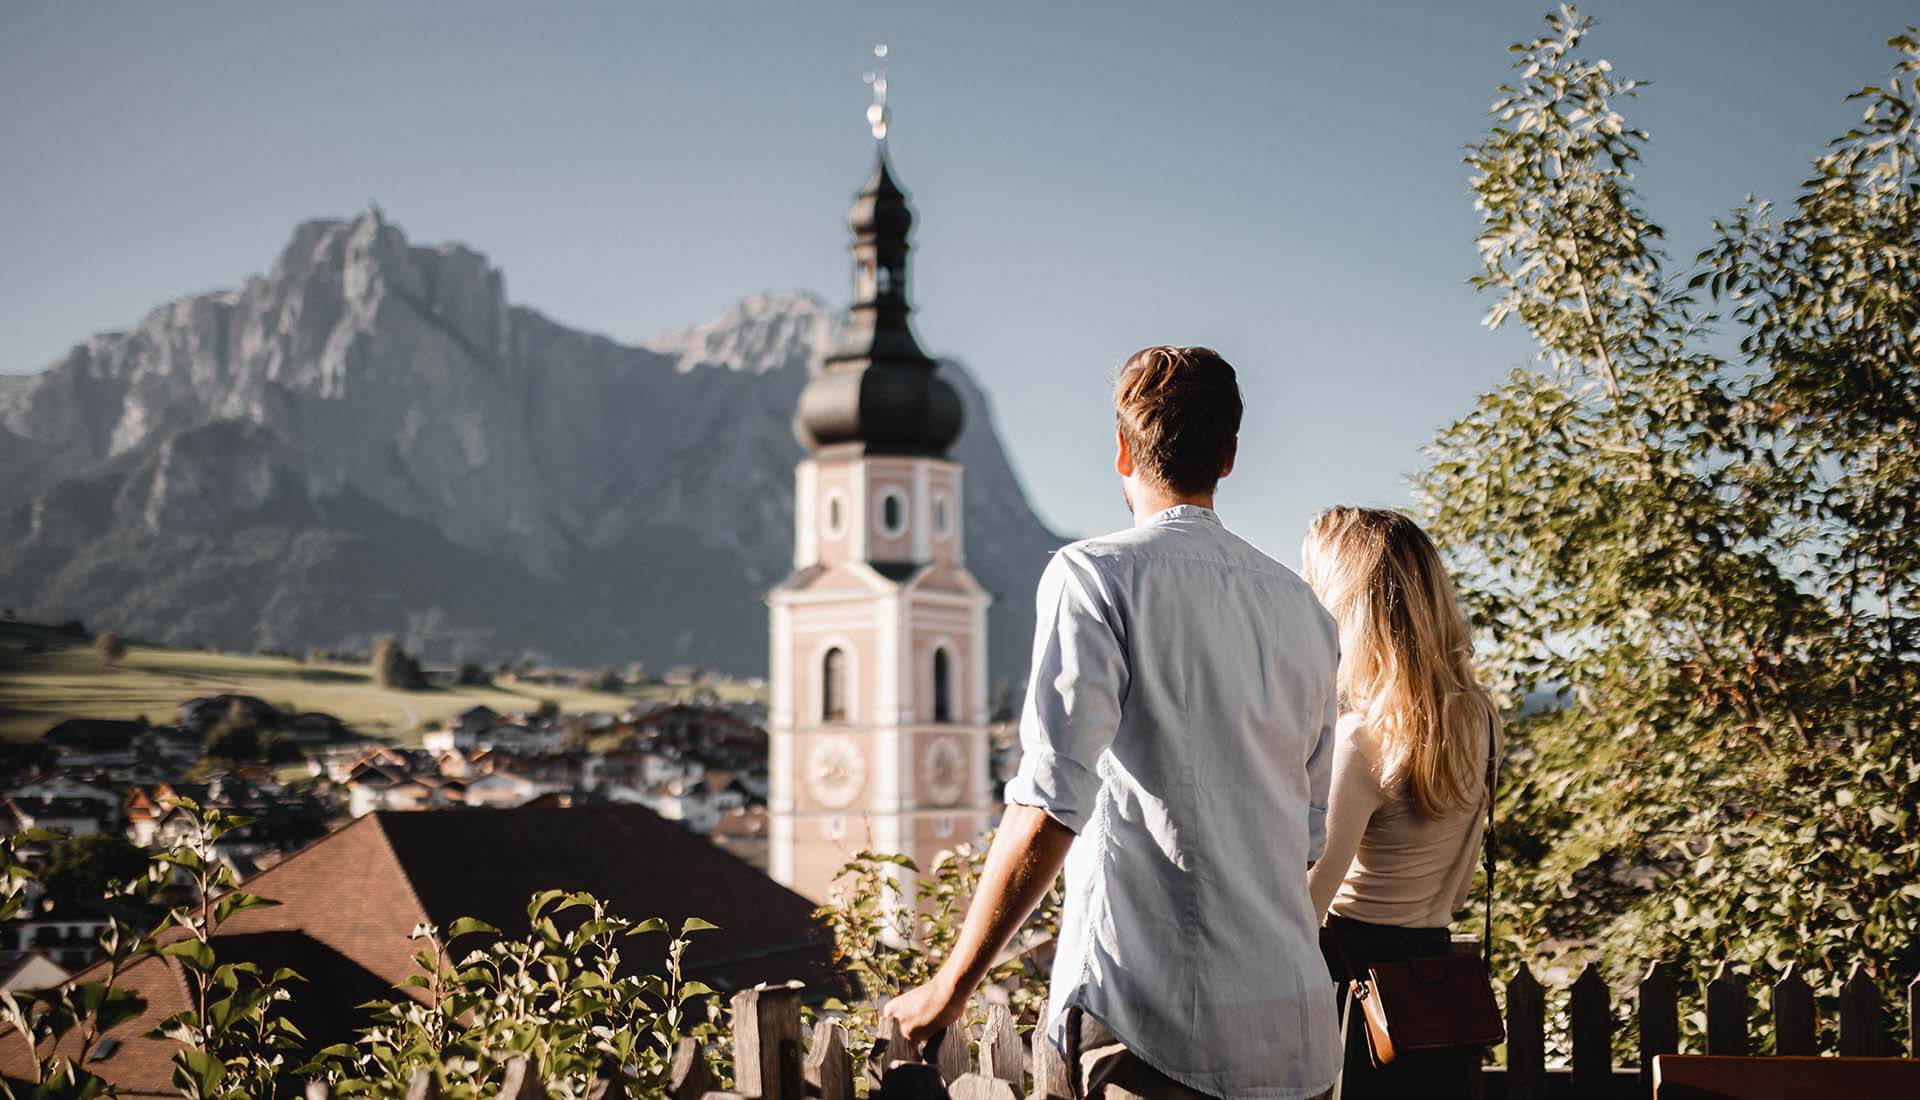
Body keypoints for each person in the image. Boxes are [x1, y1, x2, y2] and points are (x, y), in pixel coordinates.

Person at [885, 346, 1342, 1100]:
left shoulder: (1095, 578)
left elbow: (1049, 806)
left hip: (1153, 1029)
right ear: (1228, 457)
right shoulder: (1306, 612)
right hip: (1296, 1036)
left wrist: (949, 987)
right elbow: (1308, 837)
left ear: (1123, 450)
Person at [1299, 506, 1503, 1099]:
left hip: (1359, 995)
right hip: (1438, 985)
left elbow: (1307, 908)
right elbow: (1461, 889)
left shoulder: (1366, 738)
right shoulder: (1482, 719)